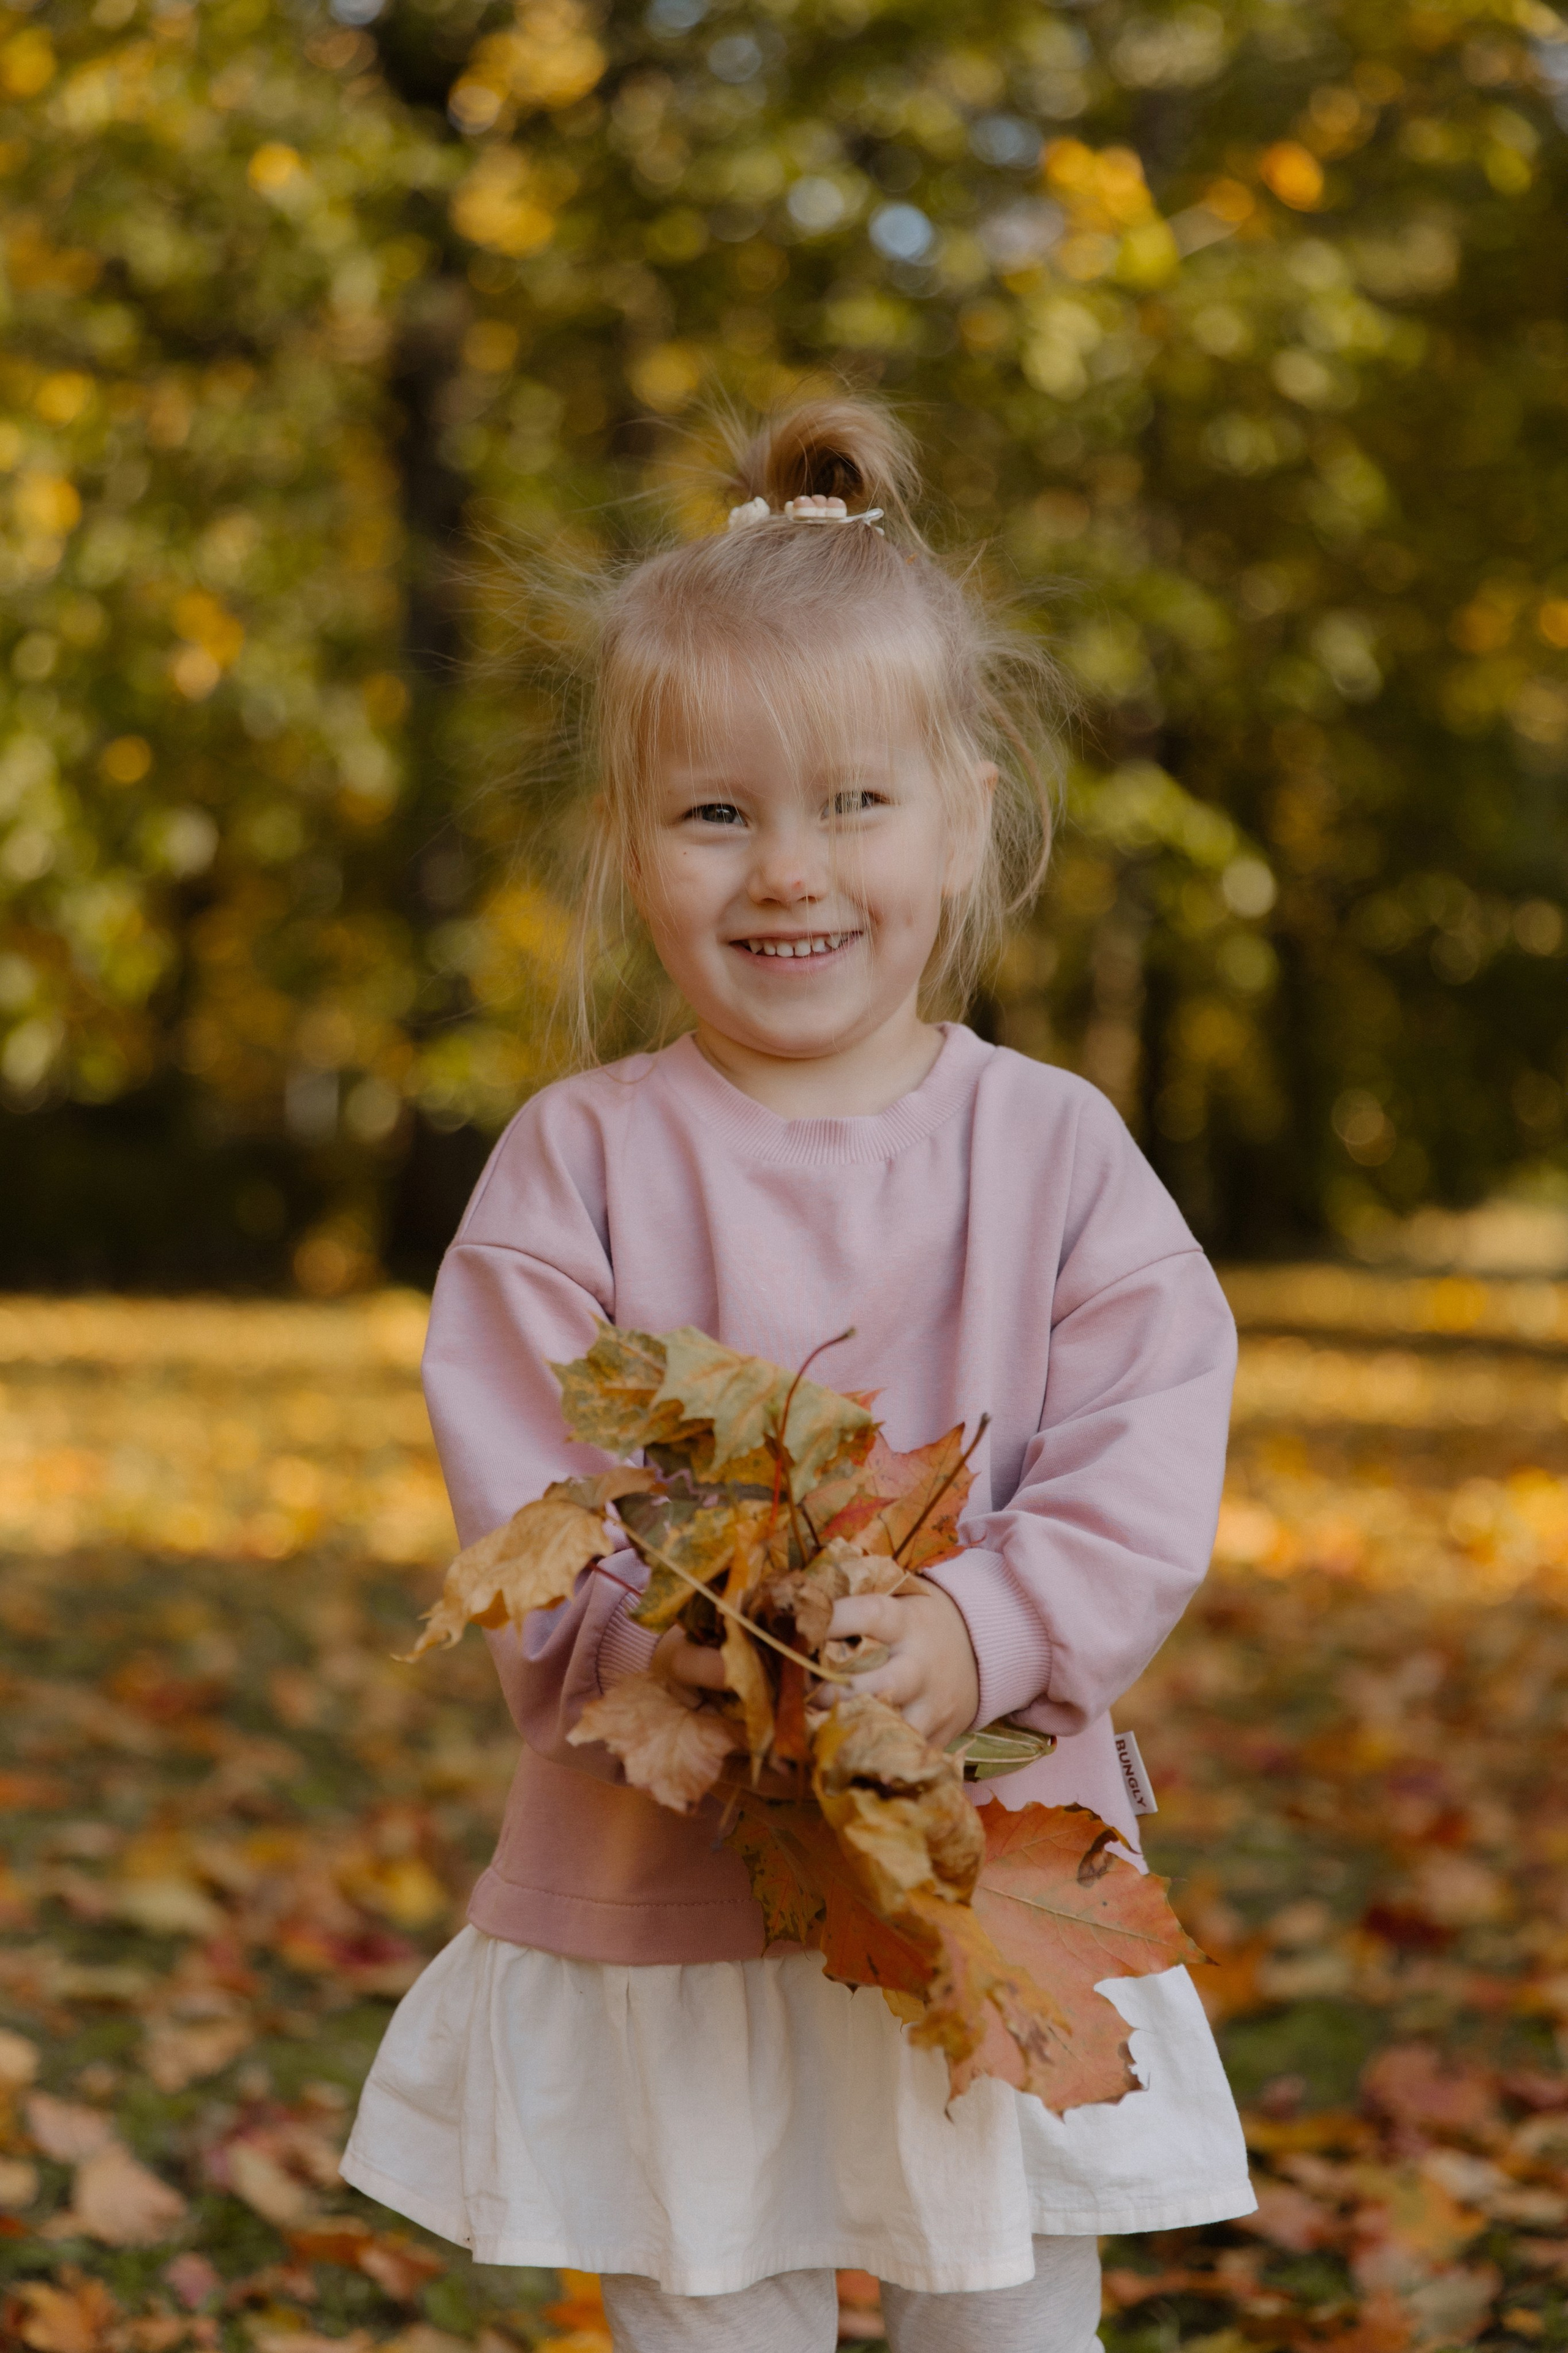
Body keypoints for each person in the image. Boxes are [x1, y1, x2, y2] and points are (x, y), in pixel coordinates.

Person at [341, 397, 1254, 2353]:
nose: (789, 869)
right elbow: (529, 1501)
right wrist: (643, 1655)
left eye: (855, 801)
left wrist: (980, 1620)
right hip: (675, 1886)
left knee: (1006, 2323)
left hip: (975, 1869)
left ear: (965, 817)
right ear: (630, 842)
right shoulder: (574, 1166)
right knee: (712, 2313)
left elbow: (1145, 1448)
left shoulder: (1057, 1149)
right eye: (717, 811)